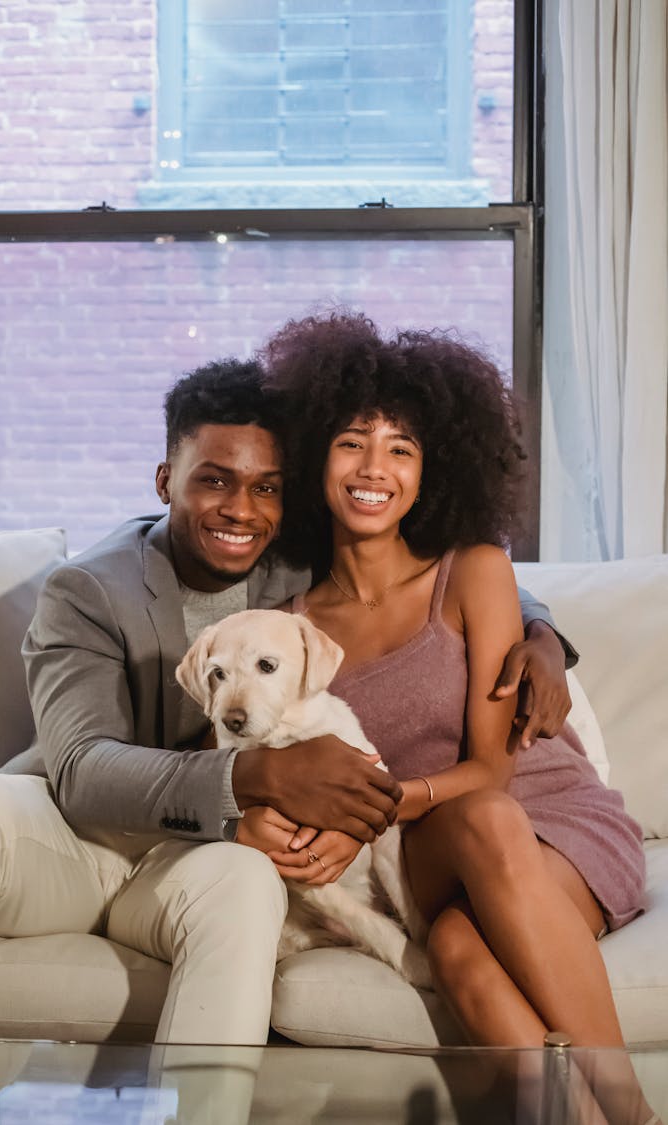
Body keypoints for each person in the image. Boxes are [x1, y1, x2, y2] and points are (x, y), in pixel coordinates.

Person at [0, 357, 572, 1056]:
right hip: (84, 840)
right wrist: (248, 780)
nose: (241, 509)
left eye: (266, 487)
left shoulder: (290, 561)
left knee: (245, 883)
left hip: (201, 856)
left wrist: (543, 633)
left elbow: (418, 569)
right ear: (166, 479)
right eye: (214, 481)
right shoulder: (85, 591)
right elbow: (82, 769)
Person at [256, 311, 653, 1124]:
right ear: (312, 457)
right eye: (352, 441)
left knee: (460, 946)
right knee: (467, 862)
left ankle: (632, 1116)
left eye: (401, 447)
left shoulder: (473, 570)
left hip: (545, 821)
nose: (376, 467)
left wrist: (366, 812)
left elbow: (493, 771)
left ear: (432, 468)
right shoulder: (293, 627)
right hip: (427, 844)